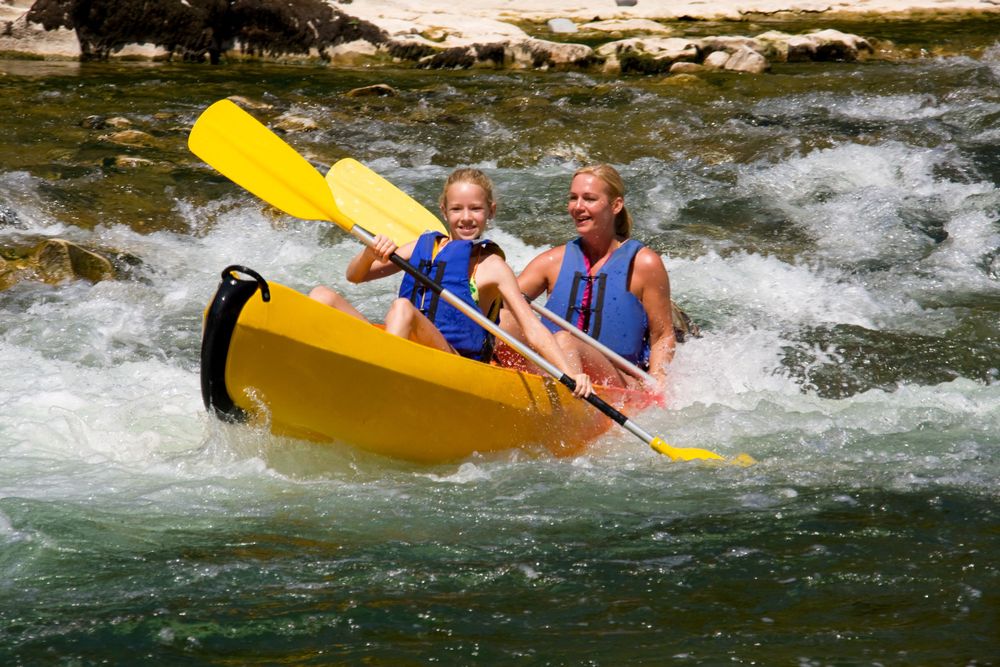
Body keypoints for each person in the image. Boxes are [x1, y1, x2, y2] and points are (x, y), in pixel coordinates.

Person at [309, 167, 593, 398]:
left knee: (402, 309)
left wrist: (568, 372)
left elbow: (531, 326)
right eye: (457, 209)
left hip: (455, 364)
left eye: (476, 209)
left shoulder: (491, 265)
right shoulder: (422, 247)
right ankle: (314, 375)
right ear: (443, 210)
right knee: (322, 296)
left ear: (490, 211)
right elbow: (354, 276)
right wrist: (368, 252)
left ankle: (378, 388)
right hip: (405, 351)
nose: (466, 217)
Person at [501, 163, 675, 390]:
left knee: (565, 340)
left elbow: (662, 335)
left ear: (616, 206)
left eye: (589, 199)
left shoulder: (643, 264)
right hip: (555, 367)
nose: (578, 207)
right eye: (573, 198)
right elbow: (502, 306)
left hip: (618, 381)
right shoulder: (552, 261)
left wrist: (658, 380)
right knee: (503, 320)